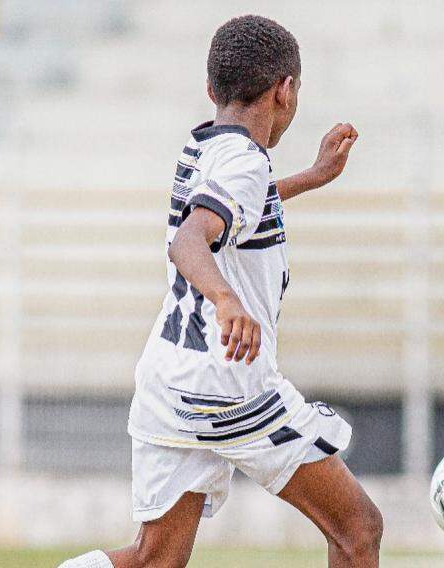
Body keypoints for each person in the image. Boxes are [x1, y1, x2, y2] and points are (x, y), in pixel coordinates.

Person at [60, 14, 382, 568]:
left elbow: (239, 205)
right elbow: (190, 239)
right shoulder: (244, 163)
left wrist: (312, 174)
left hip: (168, 382)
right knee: (358, 528)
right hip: (228, 385)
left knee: (153, 559)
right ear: (285, 90)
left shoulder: (206, 148)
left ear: (212, 90)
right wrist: (227, 299)